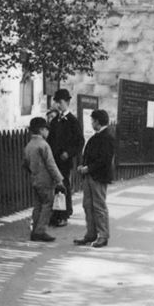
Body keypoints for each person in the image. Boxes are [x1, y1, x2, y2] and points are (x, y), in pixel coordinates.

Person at [74, 109, 115, 248]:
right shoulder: (98, 136)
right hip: (90, 175)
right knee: (88, 205)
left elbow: (104, 159)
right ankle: (91, 233)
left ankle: (103, 236)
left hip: (98, 176)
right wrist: (83, 165)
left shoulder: (107, 137)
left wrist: (88, 168)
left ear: (97, 121)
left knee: (99, 206)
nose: (91, 123)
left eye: (92, 120)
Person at [22, 117, 66, 242]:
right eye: (47, 129)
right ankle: (40, 231)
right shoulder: (44, 145)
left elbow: (25, 164)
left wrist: (33, 173)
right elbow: (51, 165)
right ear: (42, 130)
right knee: (47, 204)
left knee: (37, 206)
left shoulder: (29, 146)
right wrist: (59, 180)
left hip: (35, 179)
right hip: (46, 181)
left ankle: (34, 230)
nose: (48, 132)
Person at [46, 88, 84, 227]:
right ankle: (56, 214)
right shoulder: (55, 121)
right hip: (54, 159)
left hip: (65, 160)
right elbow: (50, 140)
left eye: (60, 102)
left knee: (63, 186)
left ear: (67, 102)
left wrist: (69, 153)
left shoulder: (73, 121)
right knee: (55, 187)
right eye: (56, 102)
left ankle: (64, 215)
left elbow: (80, 141)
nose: (58, 105)